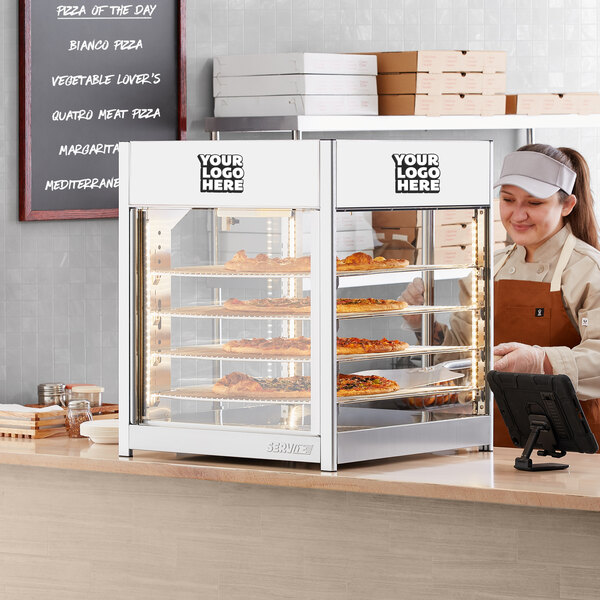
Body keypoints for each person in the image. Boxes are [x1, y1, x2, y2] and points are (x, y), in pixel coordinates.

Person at [400, 144, 600, 447]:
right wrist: (422, 323)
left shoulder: (588, 270)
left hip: (573, 446)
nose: (518, 214)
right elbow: (464, 358)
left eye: (534, 202)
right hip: (495, 441)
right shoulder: (488, 271)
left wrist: (541, 362)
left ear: (568, 204)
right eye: (508, 200)